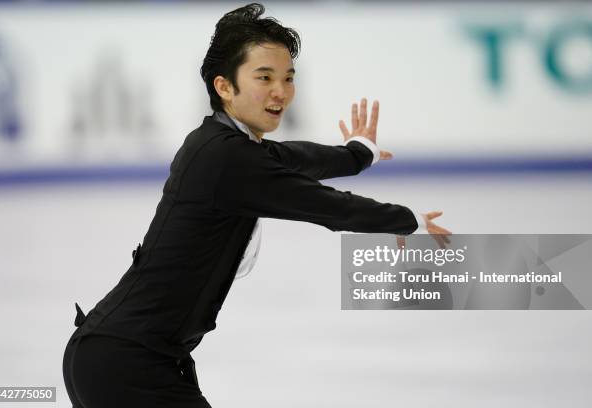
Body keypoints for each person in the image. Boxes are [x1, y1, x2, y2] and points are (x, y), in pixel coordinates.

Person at [62, 3, 451, 407]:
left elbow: (296, 158)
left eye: (287, 78)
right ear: (224, 86)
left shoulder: (224, 144)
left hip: (128, 356)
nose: (280, 91)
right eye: (264, 77)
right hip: (127, 363)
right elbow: (326, 206)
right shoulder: (226, 158)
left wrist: (358, 154)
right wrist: (409, 220)